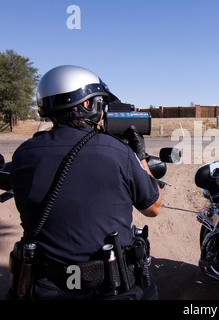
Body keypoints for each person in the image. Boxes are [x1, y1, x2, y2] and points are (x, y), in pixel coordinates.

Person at [8, 65, 161, 300]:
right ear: (88, 104)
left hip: (44, 286)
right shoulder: (117, 152)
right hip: (112, 285)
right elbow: (153, 208)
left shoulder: (23, 154)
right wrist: (139, 156)